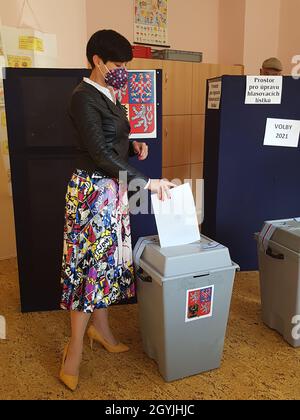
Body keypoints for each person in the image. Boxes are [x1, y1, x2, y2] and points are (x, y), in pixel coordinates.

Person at [59, 29, 175, 391]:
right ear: (97, 61)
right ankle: (74, 349)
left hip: (111, 189)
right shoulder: (83, 97)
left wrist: (134, 145)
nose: (123, 70)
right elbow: (97, 152)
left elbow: (113, 143)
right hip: (91, 193)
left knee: (107, 265)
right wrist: (147, 182)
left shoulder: (109, 93)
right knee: (86, 269)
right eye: (118, 64)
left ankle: (102, 330)